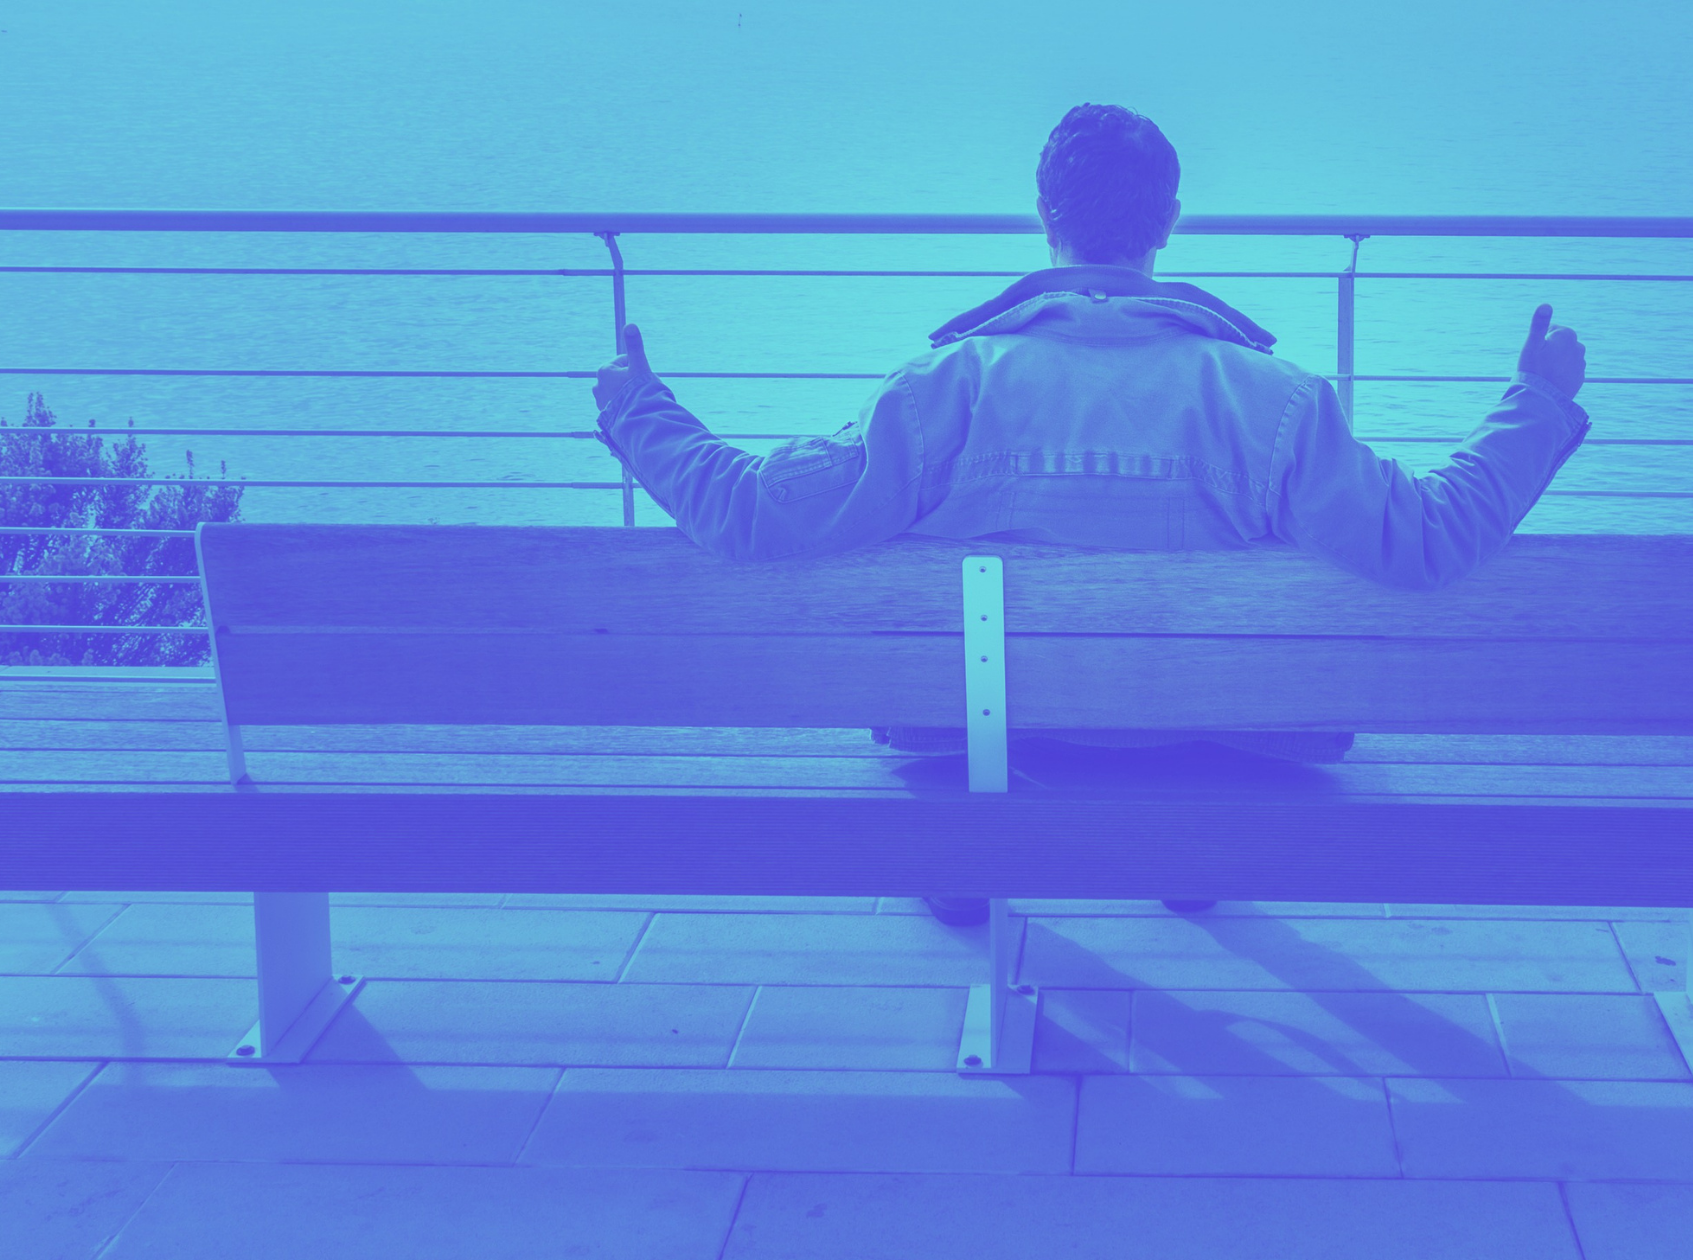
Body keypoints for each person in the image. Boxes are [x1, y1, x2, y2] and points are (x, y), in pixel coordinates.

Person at [590, 103, 1590, 925]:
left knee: (977, 693)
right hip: (1208, 739)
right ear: (1169, 221)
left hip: (991, 736)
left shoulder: (947, 389)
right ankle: (1180, 829)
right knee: (1208, 696)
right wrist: (1536, 403)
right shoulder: (1273, 401)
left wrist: (639, 409)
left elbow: (754, 514)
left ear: (1042, 214)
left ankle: (987, 836)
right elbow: (1427, 539)